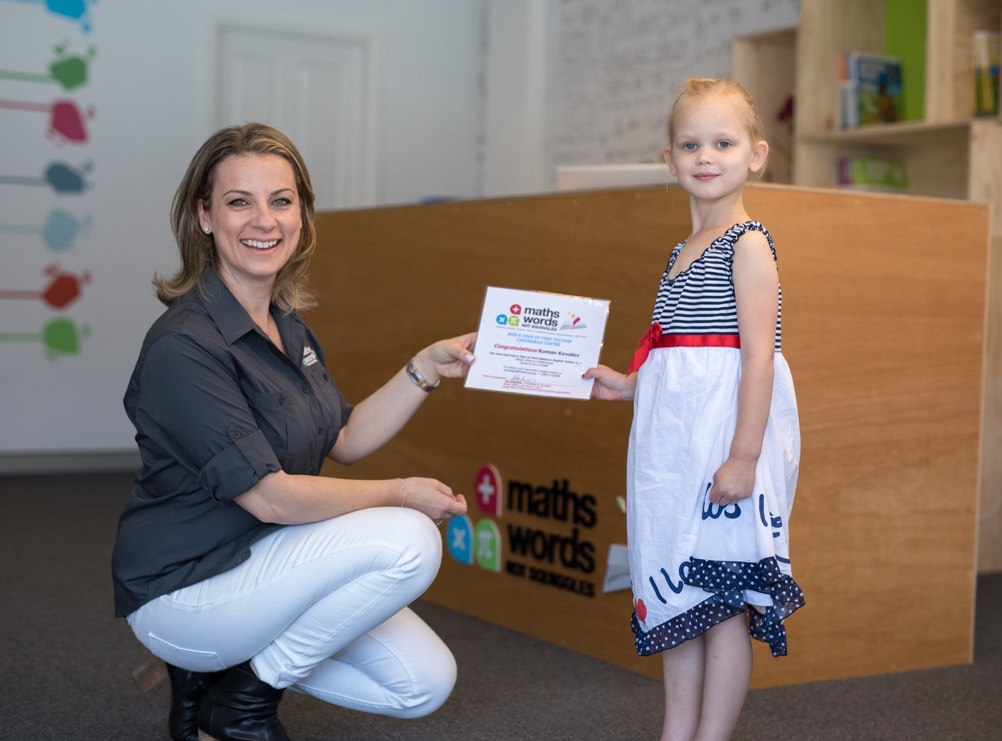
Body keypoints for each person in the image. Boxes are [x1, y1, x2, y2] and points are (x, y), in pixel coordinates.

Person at [111, 122, 476, 741]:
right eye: (239, 201)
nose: (265, 220)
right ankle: (244, 704)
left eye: (281, 201)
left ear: (301, 215)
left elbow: (347, 436)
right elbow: (271, 496)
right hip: (183, 587)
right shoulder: (184, 345)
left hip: (264, 560)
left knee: (422, 683)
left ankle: (224, 680)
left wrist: (426, 366)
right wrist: (402, 493)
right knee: (408, 538)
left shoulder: (288, 327)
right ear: (204, 216)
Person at [584, 78, 804, 741]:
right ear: (669, 159)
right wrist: (628, 386)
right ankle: (675, 731)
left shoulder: (748, 243)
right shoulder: (680, 253)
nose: (706, 156)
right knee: (677, 594)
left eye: (723, 142)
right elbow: (674, 353)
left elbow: (758, 356)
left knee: (725, 602)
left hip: (724, 441)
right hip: (673, 449)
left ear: (756, 155)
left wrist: (743, 455)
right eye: (690, 144)